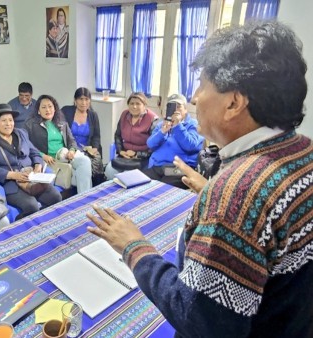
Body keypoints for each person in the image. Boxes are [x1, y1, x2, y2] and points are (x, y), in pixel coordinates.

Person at [86, 22, 313, 337]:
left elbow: (201, 321)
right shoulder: (303, 151)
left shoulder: (237, 194)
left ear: (234, 102)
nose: (194, 98)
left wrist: (133, 246)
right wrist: (211, 191)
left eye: (202, 85)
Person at [0, 104, 61, 220]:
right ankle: (21, 228)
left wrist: (38, 165)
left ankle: (43, 223)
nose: (8, 124)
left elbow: (35, 153)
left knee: (55, 197)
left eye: (10, 120)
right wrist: (14, 175)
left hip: (32, 178)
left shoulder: (21, 133)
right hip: (12, 184)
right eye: (3, 120)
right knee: (31, 206)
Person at [24, 95, 92, 193]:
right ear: (38, 111)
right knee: (82, 178)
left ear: (55, 109)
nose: (47, 110)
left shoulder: (61, 123)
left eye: (50, 106)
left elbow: (71, 141)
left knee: (85, 161)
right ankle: (86, 199)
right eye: (44, 107)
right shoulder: (30, 125)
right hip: (50, 162)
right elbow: (26, 145)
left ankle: (84, 198)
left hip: (65, 157)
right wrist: (42, 156)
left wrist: (72, 151)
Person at [142, 94, 204, 188]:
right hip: (158, 166)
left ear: (186, 110)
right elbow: (150, 144)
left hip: (178, 169)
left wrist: (178, 126)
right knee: (140, 184)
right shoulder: (161, 124)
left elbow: (191, 146)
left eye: (178, 106)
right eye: (171, 106)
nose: (175, 110)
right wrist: (162, 132)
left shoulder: (193, 124)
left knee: (162, 190)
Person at [105, 92, 159, 179]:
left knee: (126, 176)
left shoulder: (152, 119)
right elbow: (117, 135)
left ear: (144, 105)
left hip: (142, 158)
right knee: (109, 170)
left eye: (138, 104)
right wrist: (120, 151)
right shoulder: (124, 115)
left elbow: (155, 145)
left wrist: (137, 154)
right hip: (124, 155)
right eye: (132, 103)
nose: (134, 107)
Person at [61, 87, 106, 185]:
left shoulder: (93, 115)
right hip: (70, 149)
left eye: (86, 99)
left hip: (87, 150)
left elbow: (96, 136)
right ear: (75, 100)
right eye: (81, 99)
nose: (84, 102)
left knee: (93, 170)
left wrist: (94, 148)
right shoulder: (66, 111)